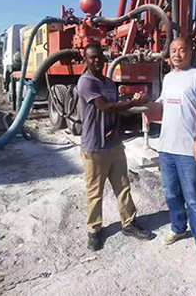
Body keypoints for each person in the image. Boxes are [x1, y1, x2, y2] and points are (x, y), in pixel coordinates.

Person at [78, 43, 152, 251]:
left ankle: (129, 223)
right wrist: (131, 103)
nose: (96, 60)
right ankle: (94, 231)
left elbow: (115, 112)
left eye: (99, 56)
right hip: (94, 147)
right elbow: (105, 107)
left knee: (123, 186)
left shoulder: (110, 83)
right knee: (95, 192)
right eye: (91, 57)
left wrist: (116, 129)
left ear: (104, 58)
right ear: (86, 59)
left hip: (114, 145)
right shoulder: (86, 82)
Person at [157, 37, 196, 269]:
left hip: (187, 149)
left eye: (182, 50)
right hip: (166, 147)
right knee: (171, 194)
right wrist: (138, 105)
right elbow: (162, 107)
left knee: (193, 198)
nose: (177, 54)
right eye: (173, 50)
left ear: (191, 53)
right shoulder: (168, 78)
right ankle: (178, 228)